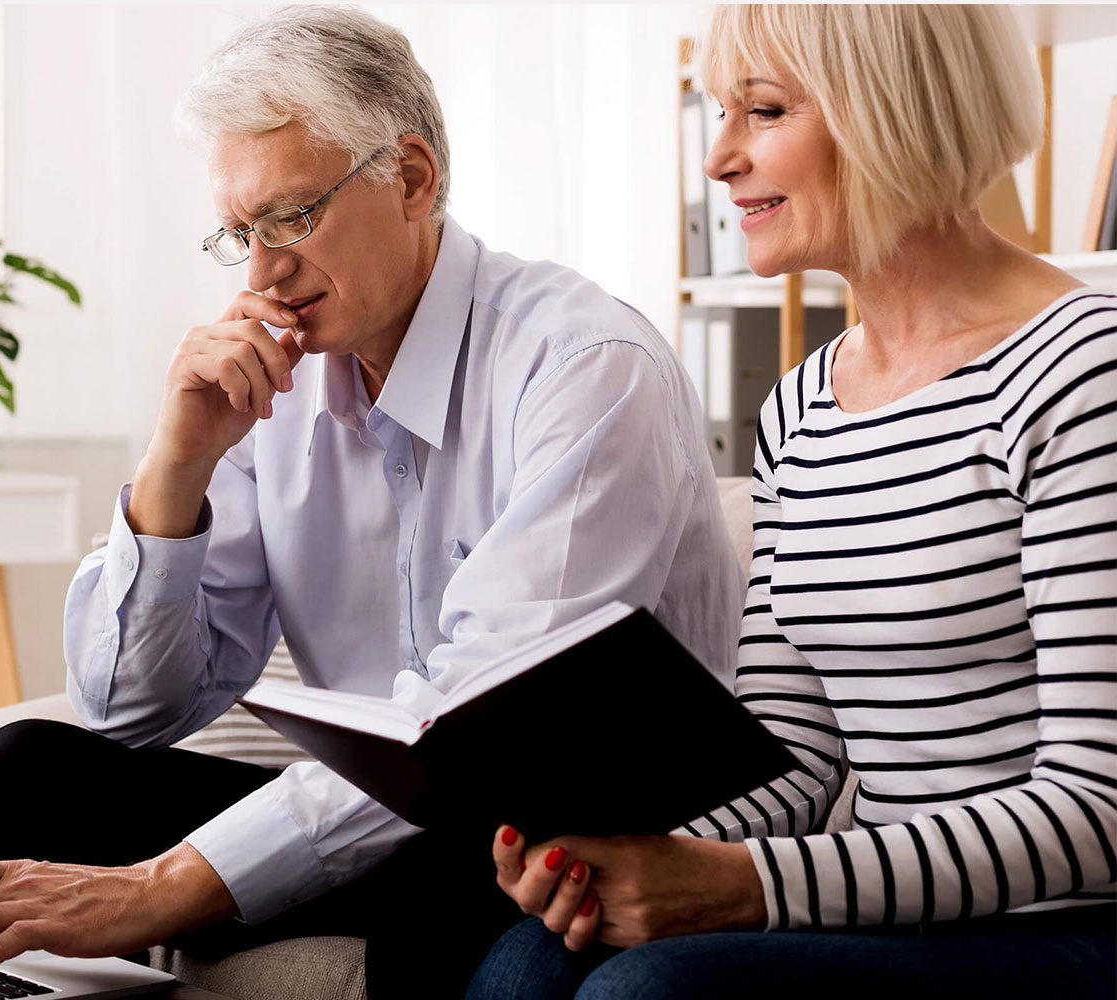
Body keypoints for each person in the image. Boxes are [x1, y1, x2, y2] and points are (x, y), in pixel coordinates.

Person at [0, 7, 743, 996]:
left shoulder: (582, 369)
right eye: (238, 232)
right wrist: (177, 463)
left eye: (291, 217)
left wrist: (167, 883)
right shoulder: (278, 379)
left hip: (533, 831)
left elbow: (474, 743)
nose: (261, 272)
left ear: (413, 179)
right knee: (21, 771)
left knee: (459, 864)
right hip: (391, 808)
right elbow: (133, 709)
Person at [467, 6, 1117, 999]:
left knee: (648, 993)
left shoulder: (1081, 368)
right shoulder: (800, 406)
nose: (718, 158)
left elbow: (1096, 806)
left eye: (761, 112)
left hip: (1064, 928)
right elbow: (791, 749)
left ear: (888, 110)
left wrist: (745, 886)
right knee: (530, 959)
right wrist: (625, 861)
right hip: (890, 917)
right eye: (718, 114)